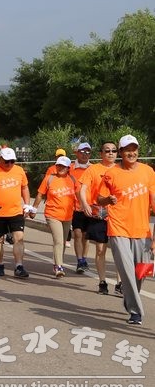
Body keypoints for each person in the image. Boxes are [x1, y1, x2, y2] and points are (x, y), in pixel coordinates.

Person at [95, 134, 155, 326]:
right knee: (127, 270)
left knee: (141, 272)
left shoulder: (148, 172)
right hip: (118, 227)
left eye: (134, 149)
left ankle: (129, 300)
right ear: (121, 152)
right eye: (127, 150)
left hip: (142, 230)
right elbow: (99, 199)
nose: (131, 153)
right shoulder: (111, 173)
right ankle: (136, 311)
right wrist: (107, 200)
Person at [0, 147, 33, 278]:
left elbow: (24, 188)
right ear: (0, 159)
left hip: (16, 211)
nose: (9, 164)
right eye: (6, 161)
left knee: (19, 238)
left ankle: (19, 266)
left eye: (12, 161)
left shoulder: (19, 170)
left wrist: (27, 205)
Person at [78, 141, 120, 295]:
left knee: (119, 250)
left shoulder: (121, 169)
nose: (111, 153)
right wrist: (85, 204)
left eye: (114, 150)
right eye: (107, 150)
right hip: (99, 214)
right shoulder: (93, 169)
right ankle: (102, 282)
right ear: (101, 153)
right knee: (100, 249)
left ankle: (120, 283)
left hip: (118, 215)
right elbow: (83, 189)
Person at [35, 155, 78, 278]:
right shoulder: (49, 179)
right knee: (58, 240)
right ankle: (59, 266)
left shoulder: (72, 180)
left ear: (68, 168)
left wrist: (85, 207)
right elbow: (40, 194)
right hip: (52, 214)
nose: (61, 168)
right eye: (59, 165)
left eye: (64, 166)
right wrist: (34, 209)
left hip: (67, 215)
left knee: (63, 242)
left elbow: (79, 195)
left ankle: (57, 263)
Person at [69, 142, 93, 274]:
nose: (85, 154)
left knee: (86, 235)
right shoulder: (70, 168)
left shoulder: (93, 169)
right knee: (78, 233)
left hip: (89, 207)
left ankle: (84, 258)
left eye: (88, 152)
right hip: (75, 207)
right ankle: (79, 261)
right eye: (82, 152)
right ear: (77, 153)